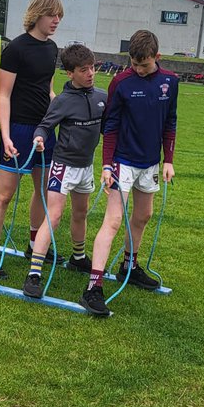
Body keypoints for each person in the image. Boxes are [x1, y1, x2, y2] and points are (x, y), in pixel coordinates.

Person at [80, 29, 177, 317]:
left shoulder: (170, 82)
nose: (138, 69)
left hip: (150, 164)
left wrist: (168, 160)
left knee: (143, 215)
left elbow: (170, 121)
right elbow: (109, 127)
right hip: (122, 161)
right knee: (113, 220)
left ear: (157, 58)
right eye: (134, 64)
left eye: (144, 65)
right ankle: (93, 287)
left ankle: (129, 266)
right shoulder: (120, 83)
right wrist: (107, 164)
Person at [0, 0, 63, 278]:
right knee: (4, 194)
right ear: (38, 14)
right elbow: (4, 96)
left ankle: (34, 244)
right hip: (18, 128)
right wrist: (6, 135)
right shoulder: (15, 49)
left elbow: (49, 89)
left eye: (59, 16)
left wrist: (63, 112)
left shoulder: (53, 48)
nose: (56, 21)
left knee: (44, 191)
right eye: (52, 15)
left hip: (45, 130)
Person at [22, 44, 107, 298]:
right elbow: (45, 126)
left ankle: (78, 257)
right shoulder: (62, 101)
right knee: (55, 216)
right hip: (63, 166)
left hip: (86, 167)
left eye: (92, 67)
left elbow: (109, 128)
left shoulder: (102, 96)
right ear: (70, 73)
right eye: (84, 70)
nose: (91, 73)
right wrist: (38, 138)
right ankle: (34, 274)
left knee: (81, 212)